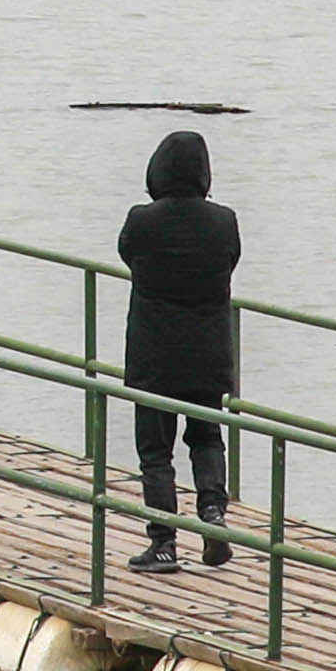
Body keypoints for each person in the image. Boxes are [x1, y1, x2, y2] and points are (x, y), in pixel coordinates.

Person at [116, 128, 239, 572]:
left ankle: (164, 543)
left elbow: (127, 255)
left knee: (156, 451)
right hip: (209, 357)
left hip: (154, 357)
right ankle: (213, 515)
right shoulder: (224, 221)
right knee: (206, 439)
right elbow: (231, 260)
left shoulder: (141, 221)